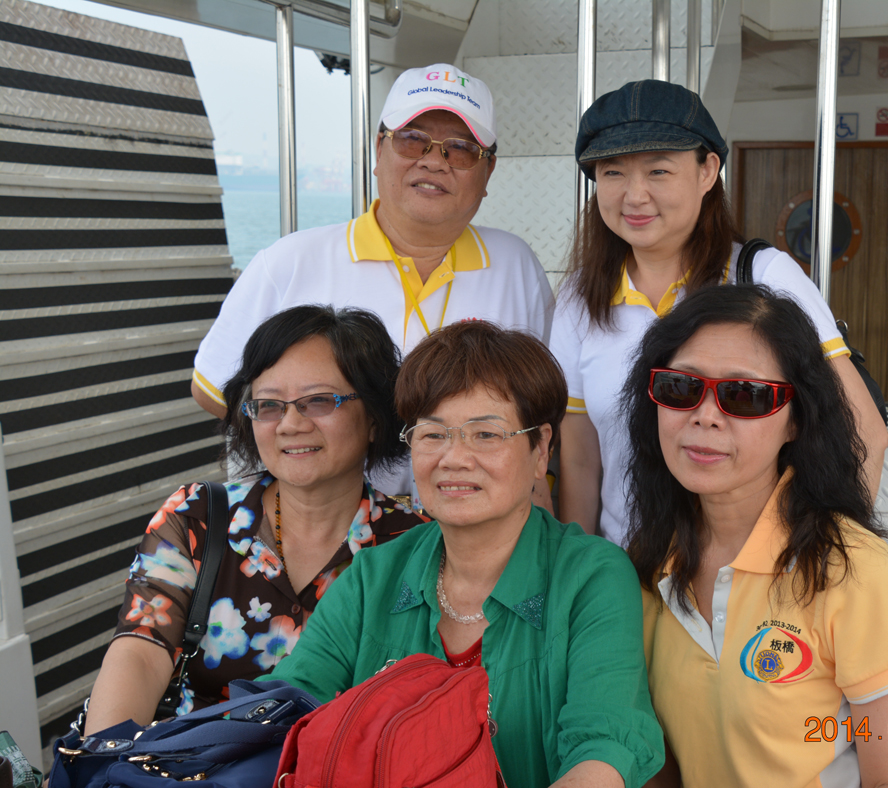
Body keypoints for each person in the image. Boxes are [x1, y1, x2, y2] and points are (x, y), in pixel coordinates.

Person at [269, 321, 663, 788]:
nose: (454, 458)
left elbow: (604, 746)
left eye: (486, 434)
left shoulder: (591, 576)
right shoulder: (371, 577)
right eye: (432, 434)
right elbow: (285, 712)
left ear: (541, 449)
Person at [192, 63, 555, 496]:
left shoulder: (516, 264)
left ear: (488, 171)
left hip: (469, 518)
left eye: (460, 149)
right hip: (333, 521)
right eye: (412, 139)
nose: (433, 161)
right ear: (379, 150)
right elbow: (213, 389)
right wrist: (313, 455)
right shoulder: (289, 261)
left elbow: (540, 406)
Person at [549, 79, 888, 543]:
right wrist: (582, 569)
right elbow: (581, 459)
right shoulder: (579, 297)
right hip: (624, 571)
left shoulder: (763, 275)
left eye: (659, 171)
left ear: (708, 171)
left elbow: (864, 431)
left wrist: (826, 563)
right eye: (612, 173)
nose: (635, 195)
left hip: (750, 573)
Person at [622, 284, 888, 787]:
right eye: (680, 387)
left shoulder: (853, 571)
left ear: (796, 421)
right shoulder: (648, 562)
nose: (705, 415)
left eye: (744, 395)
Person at [84, 306, 422, 733]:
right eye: (269, 405)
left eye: (319, 400)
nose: (291, 424)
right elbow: (140, 653)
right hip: (195, 761)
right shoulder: (197, 516)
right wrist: (104, 756)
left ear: (374, 418)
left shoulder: (418, 541)